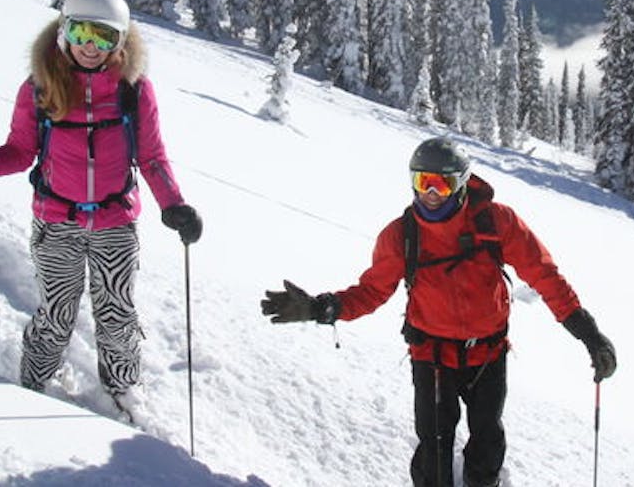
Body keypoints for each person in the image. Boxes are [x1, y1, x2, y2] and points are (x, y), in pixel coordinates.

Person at [261, 137, 616, 487]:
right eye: (422, 183)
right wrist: (320, 308)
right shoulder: (401, 235)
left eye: (440, 185)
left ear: (461, 184)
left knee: (487, 446)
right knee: (434, 454)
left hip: (488, 354)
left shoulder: (496, 223)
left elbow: (544, 276)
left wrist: (588, 333)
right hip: (431, 357)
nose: (430, 194)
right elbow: (371, 291)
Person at [0, 0, 201, 408]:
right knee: (56, 312)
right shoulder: (40, 87)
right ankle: (32, 385)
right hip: (56, 222)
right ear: (64, 29)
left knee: (117, 314)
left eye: (103, 36)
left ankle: (123, 392)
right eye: (82, 32)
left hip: (115, 222)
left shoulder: (133, 89)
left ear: (119, 40)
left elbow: (152, 156)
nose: (90, 46)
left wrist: (174, 205)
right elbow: (21, 150)